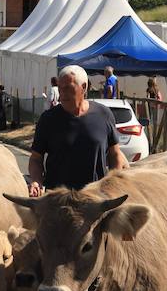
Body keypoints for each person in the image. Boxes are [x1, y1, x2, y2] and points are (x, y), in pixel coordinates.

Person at [28, 64, 128, 197]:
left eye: (68, 88)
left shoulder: (104, 114)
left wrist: (113, 186)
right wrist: (36, 181)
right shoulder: (48, 119)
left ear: (84, 87)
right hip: (58, 201)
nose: (62, 93)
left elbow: (115, 154)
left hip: (95, 200)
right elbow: (36, 159)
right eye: (60, 88)